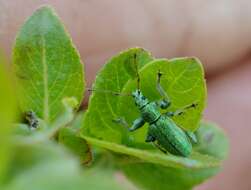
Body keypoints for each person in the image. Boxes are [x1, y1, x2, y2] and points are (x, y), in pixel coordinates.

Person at [1, 1, 251, 189]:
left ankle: (169, 145)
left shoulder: (153, 119)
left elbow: (144, 120)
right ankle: (168, 144)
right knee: (164, 123)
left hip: (174, 139)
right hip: (170, 133)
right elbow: (159, 107)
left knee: (158, 130)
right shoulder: (159, 115)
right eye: (141, 100)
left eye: (141, 99)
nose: (141, 99)